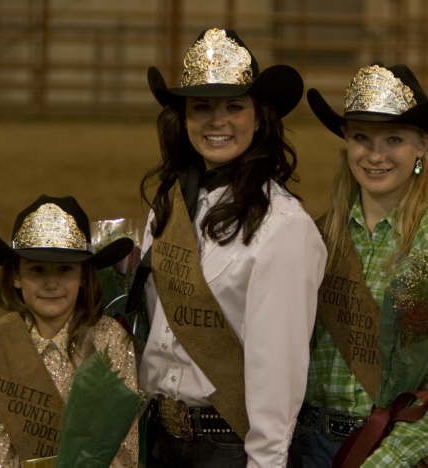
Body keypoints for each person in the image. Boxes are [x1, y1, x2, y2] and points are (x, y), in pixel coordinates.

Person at [132, 27, 327, 467]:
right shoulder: (169, 205)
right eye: (201, 106)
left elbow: (278, 370)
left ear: (259, 117)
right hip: (157, 439)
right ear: (182, 118)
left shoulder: (284, 228)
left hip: (229, 448)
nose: (216, 121)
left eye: (234, 106)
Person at [294, 63, 428, 467]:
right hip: (304, 445)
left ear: (422, 145)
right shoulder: (320, 235)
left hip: (385, 448)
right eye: (362, 137)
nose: (375, 155)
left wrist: (382, 463)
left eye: (393, 139)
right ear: (346, 140)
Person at [0, 194, 139, 467]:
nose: (51, 283)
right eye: (37, 270)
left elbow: (124, 442)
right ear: (16, 277)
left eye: (65, 269)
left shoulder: (110, 339)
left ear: (83, 277)